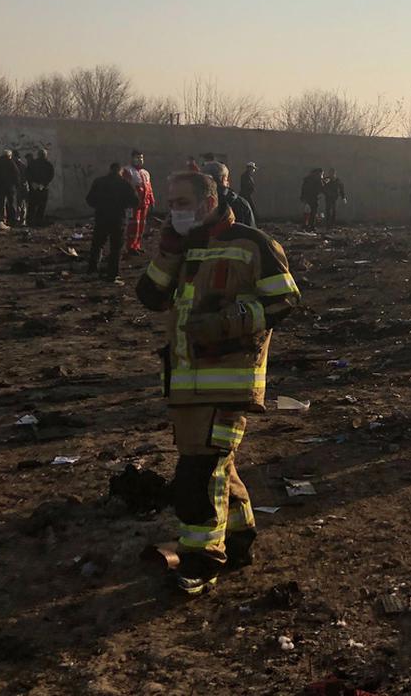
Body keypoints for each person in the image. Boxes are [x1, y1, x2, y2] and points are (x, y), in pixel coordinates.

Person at [136, 171, 301, 595]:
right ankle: (241, 538)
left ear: (209, 201)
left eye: (183, 202)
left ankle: (201, 561)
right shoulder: (181, 245)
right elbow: (150, 297)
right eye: (170, 203)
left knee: (197, 474)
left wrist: (233, 321)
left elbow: (283, 299)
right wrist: (168, 253)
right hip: (185, 380)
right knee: (217, 465)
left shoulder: (252, 244)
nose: (175, 210)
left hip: (229, 381)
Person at [86, 162, 141, 282]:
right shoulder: (125, 184)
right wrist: (124, 205)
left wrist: (99, 206)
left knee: (97, 244)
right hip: (118, 219)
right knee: (116, 247)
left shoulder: (99, 182)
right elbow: (135, 201)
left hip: (101, 217)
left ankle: (92, 270)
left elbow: (89, 199)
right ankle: (112, 274)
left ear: (109, 170)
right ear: (120, 171)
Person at [202, 161, 257, 228]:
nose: (253, 171)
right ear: (224, 179)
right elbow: (251, 233)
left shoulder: (193, 202)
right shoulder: (240, 204)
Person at [122, 149, 155, 254]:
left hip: (144, 203)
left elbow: (149, 188)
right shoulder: (127, 171)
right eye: (137, 158)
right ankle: (130, 247)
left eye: (141, 158)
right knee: (133, 225)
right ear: (131, 158)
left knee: (141, 225)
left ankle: (137, 245)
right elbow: (126, 187)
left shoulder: (145, 173)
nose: (139, 160)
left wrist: (151, 200)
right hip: (133, 204)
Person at [0, 150, 22, 226]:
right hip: (10, 187)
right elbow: (16, 174)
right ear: (9, 155)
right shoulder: (11, 162)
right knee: (11, 203)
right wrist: (17, 185)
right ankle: (12, 220)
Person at [25, 149, 55, 226]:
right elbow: (51, 175)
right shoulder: (48, 164)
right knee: (42, 205)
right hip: (43, 187)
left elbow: (28, 174)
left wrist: (32, 183)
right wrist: (44, 184)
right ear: (45, 155)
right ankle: (39, 221)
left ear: (38, 155)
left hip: (34, 187)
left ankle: (30, 221)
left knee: (32, 205)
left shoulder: (33, 164)